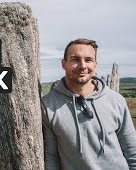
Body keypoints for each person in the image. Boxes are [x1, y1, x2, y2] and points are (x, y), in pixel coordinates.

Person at [41, 38, 136, 169]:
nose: (83, 65)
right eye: (75, 59)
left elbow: (132, 152)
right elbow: (51, 158)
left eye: (88, 60)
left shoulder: (116, 100)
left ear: (95, 65)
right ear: (64, 64)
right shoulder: (48, 105)